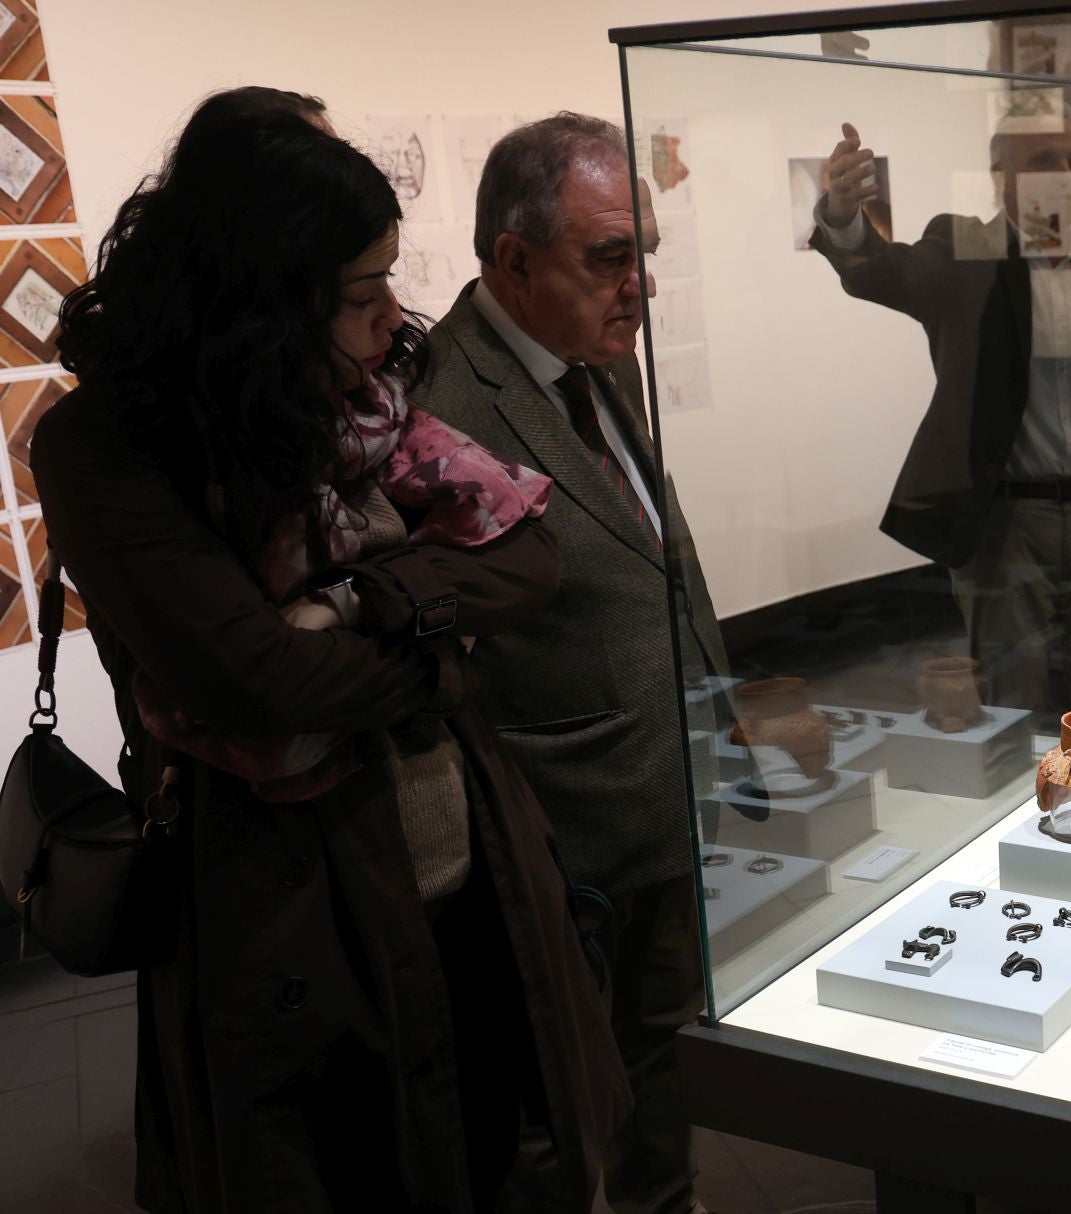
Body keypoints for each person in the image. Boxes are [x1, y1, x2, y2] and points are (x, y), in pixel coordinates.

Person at [38, 91, 628, 1212]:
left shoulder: (356, 396)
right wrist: (445, 659)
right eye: (360, 293)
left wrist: (368, 600)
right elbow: (259, 683)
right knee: (339, 1163)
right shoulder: (108, 446)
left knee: (497, 1143)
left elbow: (529, 558)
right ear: (258, 299)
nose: (389, 316)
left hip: (466, 864)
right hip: (282, 897)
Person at [411, 112, 726, 1214]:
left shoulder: (597, 366)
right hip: (558, 833)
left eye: (644, 250)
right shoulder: (443, 400)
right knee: (550, 1108)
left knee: (665, 1060)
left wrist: (725, 714)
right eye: (609, 256)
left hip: (661, 797)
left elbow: (656, 561)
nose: (637, 282)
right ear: (512, 257)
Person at [810, 117, 1071, 715]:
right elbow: (883, 272)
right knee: (1015, 698)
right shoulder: (964, 251)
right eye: (1040, 161)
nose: (1059, 174)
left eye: (1067, 162)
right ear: (1000, 177)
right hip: (1005, 519)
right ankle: (1031, 804)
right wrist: (844, 214)